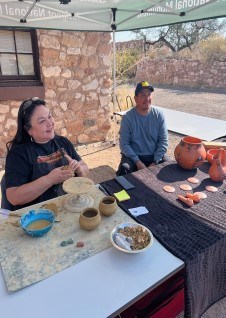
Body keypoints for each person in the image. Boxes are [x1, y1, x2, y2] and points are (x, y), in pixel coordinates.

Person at [3, 97, 89, 211]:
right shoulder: (19, 154)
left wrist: (78, 168)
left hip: (66, 207)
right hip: (37, 216)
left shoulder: (63, 142)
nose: (50, 123)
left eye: (49, 116)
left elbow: (85, 170)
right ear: (29, 130)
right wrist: (49, 180)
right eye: (42, 121)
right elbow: (13, 197)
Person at [116, 81, 169, 176]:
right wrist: (137, 162)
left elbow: (163, 141)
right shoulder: (128, 118)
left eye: (149, 95)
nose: (147, 98)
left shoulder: (159, 115)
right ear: (136, 99)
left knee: (170, 166)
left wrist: (155, 161)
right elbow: (124, 144)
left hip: (153, 155)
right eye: (143, 95)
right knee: (124, 169)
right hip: (134, 156)